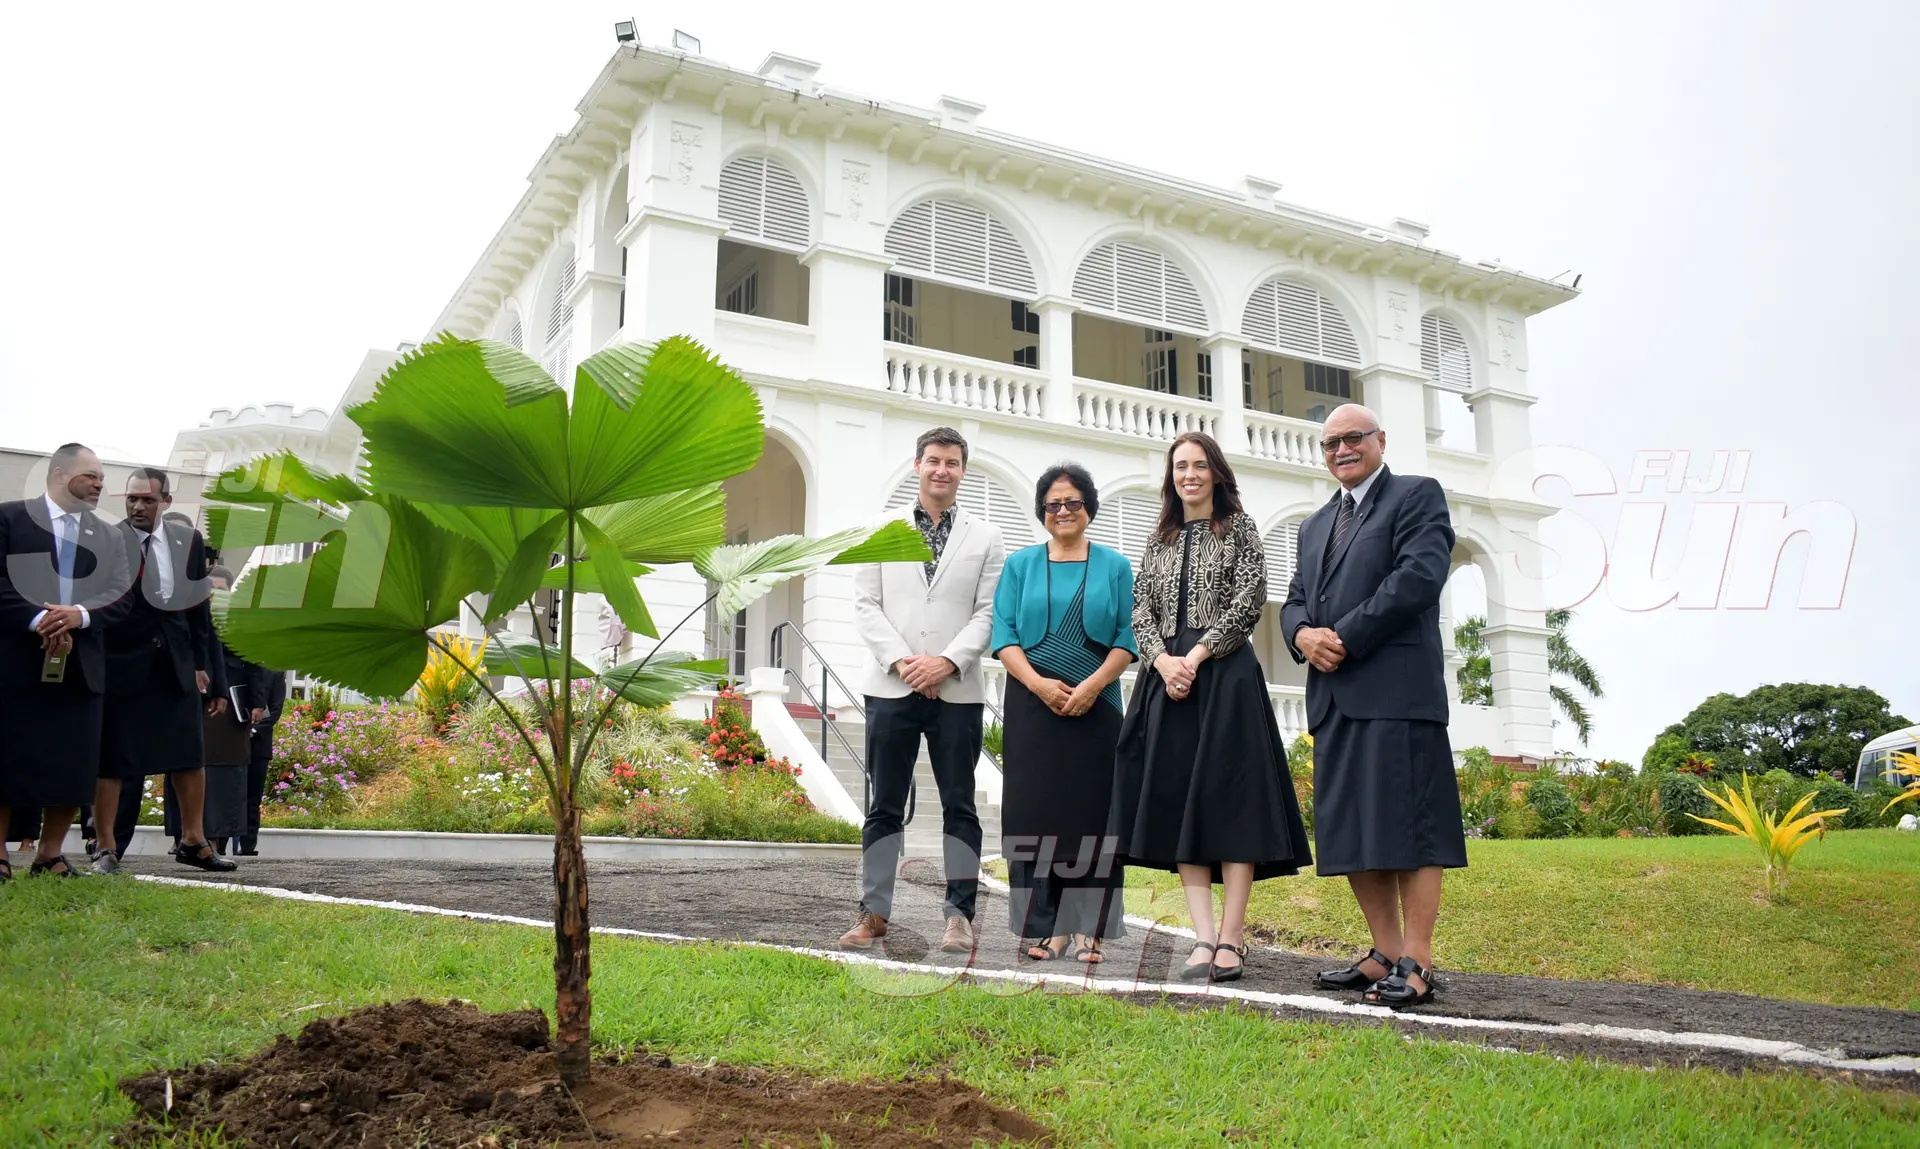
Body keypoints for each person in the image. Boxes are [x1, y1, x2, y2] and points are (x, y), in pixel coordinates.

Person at [1281, 403, 1466, 1008]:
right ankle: (1385, 952)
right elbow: (1294, 601)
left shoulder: (1416, 496)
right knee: (1356, 831)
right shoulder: (1313, 526)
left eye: (1353, 438)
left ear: (1380, 439)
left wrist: (1344, 636)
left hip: (1397, 693)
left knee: (1413, 831)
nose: (1341, 450)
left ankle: (1418, 959)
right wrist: (1302, 634)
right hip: (1335, 700)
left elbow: (1417, 578)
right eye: (1330, 442)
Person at [1110, 431, 1312, 984]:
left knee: (1231, 803)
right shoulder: (1159, 540)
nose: (1189, 475)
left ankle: (1232, 936)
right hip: (1166, 682)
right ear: (1170, 476)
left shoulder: (1241, 528)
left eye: (1200, 465)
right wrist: (1161, 661)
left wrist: (1194, 657)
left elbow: (1250, 599)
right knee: (1180, 803)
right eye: (1180, 466)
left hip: (1225, 680)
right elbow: (1141, 612)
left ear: (1216, 473)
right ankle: (1202, 937)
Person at [843, 427, 1006, 954]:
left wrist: (945, 663)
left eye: (952, 462)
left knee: (960, 804)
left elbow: (989, 612)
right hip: (891, 688)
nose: (942, 470)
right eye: (933, 460)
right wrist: (905, 663)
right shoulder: (880, 529)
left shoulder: (986, 537)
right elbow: (866, 604)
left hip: (957, 691)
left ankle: (959, 916)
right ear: (917, 465)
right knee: (884, 805)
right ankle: (874, 913)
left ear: (963, 470)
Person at [990, 463, 1136, 964]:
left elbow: (1127, 638)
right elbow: (1003, 635)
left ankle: (1087, 930)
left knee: (1091, 817)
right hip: (1032, 706)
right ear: (1042, 512)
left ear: (1088, 508)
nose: (1063, 511)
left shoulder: (1115, 566)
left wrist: (1093, 686)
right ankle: (1046, 927)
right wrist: (1038, 685)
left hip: (1098, 708)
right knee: (1036, 814)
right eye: (1053, 504)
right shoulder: (1020, 565)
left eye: (1072, 502)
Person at [0, 444, 135, 879]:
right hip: (15, 660)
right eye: (90, 475)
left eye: (101, 478)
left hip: (82, 666)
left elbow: (121, 594)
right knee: (7, 755)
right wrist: (42, 620)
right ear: (59, 474)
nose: (99, 484)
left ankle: (50, 855)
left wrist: (78, 616)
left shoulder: (111, 536)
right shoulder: (10, 518)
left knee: (72, 760)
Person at [92, 468, 236, 873]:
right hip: (120, 665)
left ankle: (193, 841)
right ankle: (104, 847)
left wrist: (209, 672)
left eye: (148, 500)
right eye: (132, 499)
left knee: (189, 755)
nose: (138, 506)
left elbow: (196, 609)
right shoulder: (107, 540)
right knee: (113, 757)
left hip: (176, 665)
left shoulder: (187, 541)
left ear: (166, 503)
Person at [150, 566, 265, 854]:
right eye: (210, 589)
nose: (215, 596)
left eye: (221, 590)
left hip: (229, 707)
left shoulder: (241, 623)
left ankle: (215, 840)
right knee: (184, 764)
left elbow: (255, 662)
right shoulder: (186, 615)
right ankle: (184, 836)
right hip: (188, 699)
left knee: (225, 775)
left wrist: (258, 702)